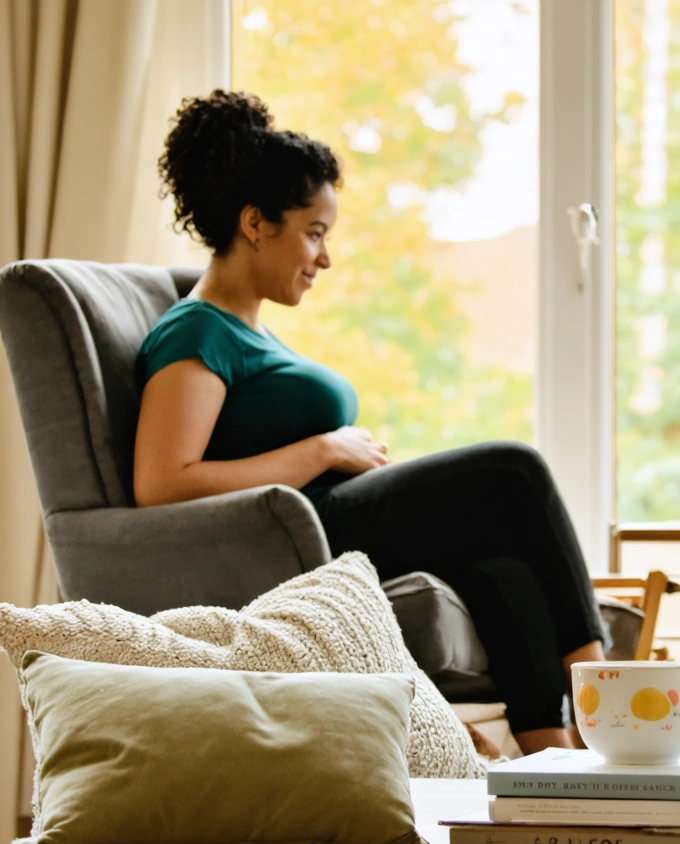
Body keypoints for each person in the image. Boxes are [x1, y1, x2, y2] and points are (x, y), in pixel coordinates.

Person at [134, 90, 605, 755]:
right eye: (314, 232)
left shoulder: (249, 329)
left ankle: (554, 765)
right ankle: (603, 684)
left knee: (505, 569)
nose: (324, 258)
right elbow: (161, 482)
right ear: (255, 224)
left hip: (329, 516)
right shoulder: (197, 332)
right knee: (513, 471)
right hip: (300, 538)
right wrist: (323, 448)